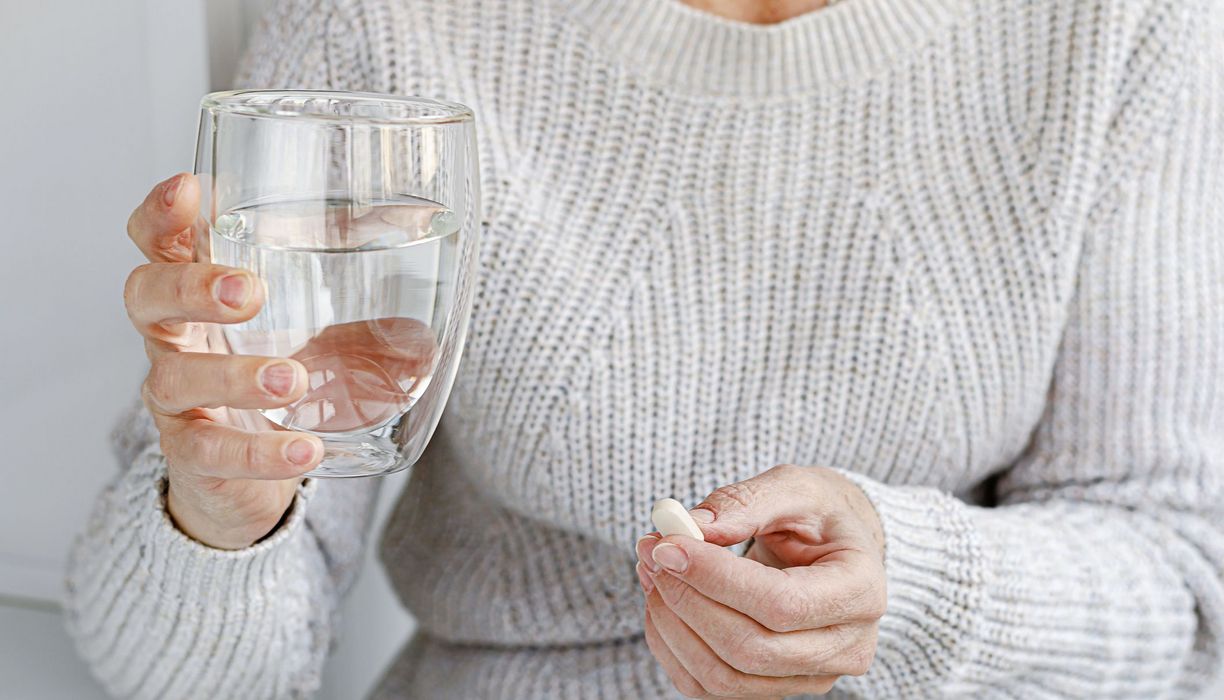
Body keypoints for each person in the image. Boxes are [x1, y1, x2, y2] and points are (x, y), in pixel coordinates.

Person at [65, 0, 1224, 697]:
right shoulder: (394, 18)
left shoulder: (1119, 24)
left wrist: (910, 597)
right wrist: (218, 512)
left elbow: (1180, 584)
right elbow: (199, 674)